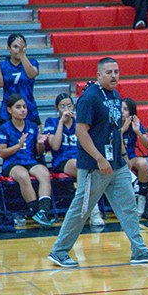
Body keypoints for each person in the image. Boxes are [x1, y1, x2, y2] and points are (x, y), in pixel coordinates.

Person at [47, 57, 148, 268]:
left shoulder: (116, 95)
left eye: (116, 72)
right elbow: (81, 132)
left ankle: (139, 251)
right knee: (81, 210)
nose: (113, 76)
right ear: (98, 75)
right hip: (94, 166)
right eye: (109, 72)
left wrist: (123, 158)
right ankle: (59, 251)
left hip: (116, 164)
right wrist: (99, 158)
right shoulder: (89, 98)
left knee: (128, 208)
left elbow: (115, 130)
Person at [44, 94, 106, 226]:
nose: (66, 109)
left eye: (69, 105)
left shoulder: (79, 122)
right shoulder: (52, 122)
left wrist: (80, 124)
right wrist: (61, 122)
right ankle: (93, 212)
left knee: (93, 169)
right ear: (56, 108)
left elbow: (91, 141)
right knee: (81, 167)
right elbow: (54, 146)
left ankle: (87, 209)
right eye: (62, 106)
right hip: (62, 160)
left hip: (81, 157)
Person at [0, 94, 53, 228]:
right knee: (23, 175)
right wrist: (18, 146)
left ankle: (43, 211)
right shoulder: (4, 128)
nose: (23, 110)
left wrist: (40, 143)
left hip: (30, 160)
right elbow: (2, 153)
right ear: (9, 110)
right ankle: (34, 211)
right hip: (12, 163)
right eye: (18, 107)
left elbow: (39, 153)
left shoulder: (33, 126)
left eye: (25, 107)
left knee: (44, 173)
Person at [0, 33, 40, 127]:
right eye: (15, 47)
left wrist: (22, 55)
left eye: (22, 47)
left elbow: (32, 74)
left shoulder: (32, 62)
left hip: (29, 109)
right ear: (9, 48)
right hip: (7, 112)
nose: (19, 50)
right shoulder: (3, 65)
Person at [121, 97, 148, 217]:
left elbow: (147, 145)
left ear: (131, 112)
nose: (122, 111)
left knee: (144, 164)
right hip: (115, 158)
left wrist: (138, 131)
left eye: (125, 109)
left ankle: (141, 197)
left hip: (131, 157)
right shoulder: (113, 123)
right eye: (120, 108)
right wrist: (122, 130)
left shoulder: (134, 123)